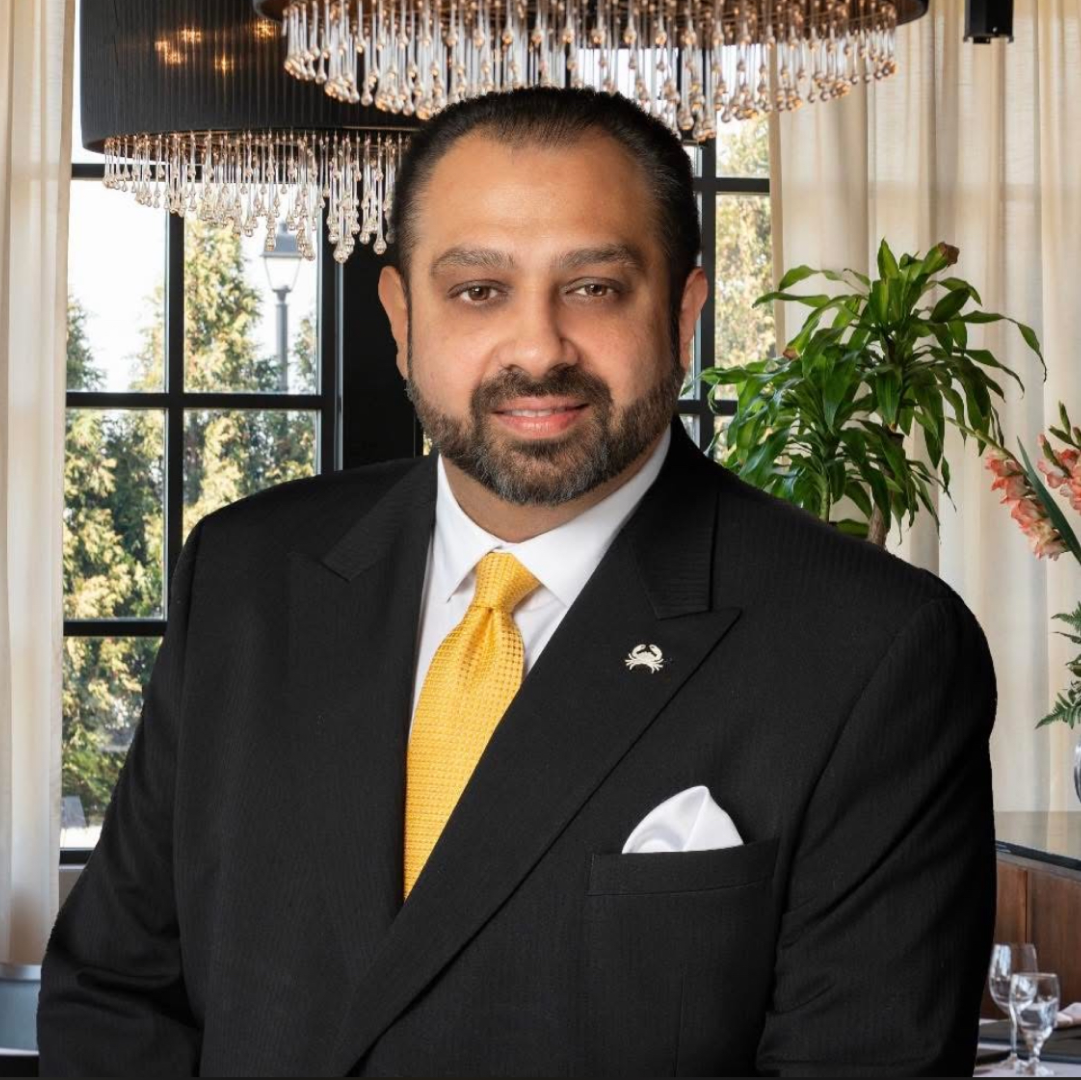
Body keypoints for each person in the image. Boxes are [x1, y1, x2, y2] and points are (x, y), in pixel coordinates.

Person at [37, 85, 997, 1077]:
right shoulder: (245, 578)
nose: (538, 348)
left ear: (683, 311)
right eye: (478, 290)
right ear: (402, 320)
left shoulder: (872, 649)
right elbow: (116, 996)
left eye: (593, 287)